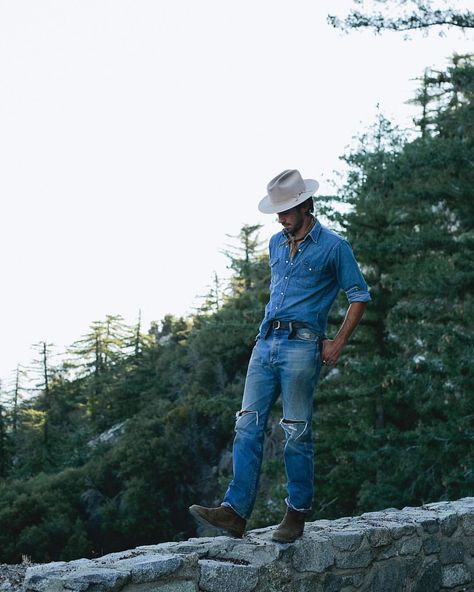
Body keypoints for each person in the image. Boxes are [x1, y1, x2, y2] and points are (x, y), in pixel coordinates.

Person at [189, 169, 371, 543]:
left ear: (307, 205)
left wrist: (336, 343)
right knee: (246, 424)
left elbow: (359, 296)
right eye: (279, 211)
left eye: (287, 210)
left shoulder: (334, 247)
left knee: (296, 432)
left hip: (303, 347)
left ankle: (296, 514)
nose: (281, 217)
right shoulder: (275, 243)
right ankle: (235, 512)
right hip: (265, 343)